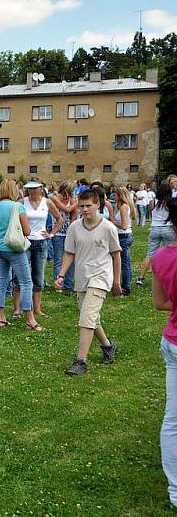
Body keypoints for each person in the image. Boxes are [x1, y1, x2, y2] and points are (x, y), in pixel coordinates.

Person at [56, 189, 121, 376]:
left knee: (86, 317)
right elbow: (70, 253)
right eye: (82, 206)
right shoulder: (74, 227)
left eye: (88, 206)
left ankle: (81, 361)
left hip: (101, 277)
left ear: (97, 205)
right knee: (92, 317)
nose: (84, 209)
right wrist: (61, 275)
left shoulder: (108, 227)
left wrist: (116, 282)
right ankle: (108, 346)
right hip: (82, 277)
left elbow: (116, 256)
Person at [0, 179, 44, 331]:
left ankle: (1, 318)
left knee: (1, 282)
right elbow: (27, 231)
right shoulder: (18, 206)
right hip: (14, 249)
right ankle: (30, 319)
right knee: (26, 282)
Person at [152, 199, 177, 506]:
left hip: (171, 342)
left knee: (173, 419)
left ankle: (175, 490)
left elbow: (160, 303)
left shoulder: (161, 257)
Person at [20, 181, 63, 317]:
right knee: (22, 274)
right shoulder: (22, 202)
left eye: (34, 189)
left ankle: (37, 309)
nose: (32, 191)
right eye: (30, 189)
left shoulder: (47, 202)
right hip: (25, 241)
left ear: (40, 189)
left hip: (41, 241)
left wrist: (51, 234)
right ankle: (21, 308)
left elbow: (59, 219)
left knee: (38, 276)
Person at [139, 182, 177, 286]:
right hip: (168, 228)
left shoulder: (153, 202)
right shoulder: (171, 202)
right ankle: (168, 276)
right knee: (170, 254)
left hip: (155, 228)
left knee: (150, 254)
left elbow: (151, 211)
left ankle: (141, 277)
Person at [50, 182, 77, 292]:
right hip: (58, 233)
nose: (69, 195)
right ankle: (58, 284)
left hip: (68, 232)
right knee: (58, 259)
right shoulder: (54, 199)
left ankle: (68, 284)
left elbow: (74, 215)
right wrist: (77, 202)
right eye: (70, 192)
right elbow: (67, 210)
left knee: (71, 258)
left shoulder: (72, 200)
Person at [112, 186, 136, 295]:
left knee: (124, 263)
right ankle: (128, 282)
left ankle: (126, 286)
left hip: (123, 236)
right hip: (125, 236)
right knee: (127, 262)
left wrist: (112, 220)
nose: (113, 196)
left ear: (119, 196)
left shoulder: (123, 207)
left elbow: (124, 225)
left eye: (115, 194)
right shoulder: (124, 206)